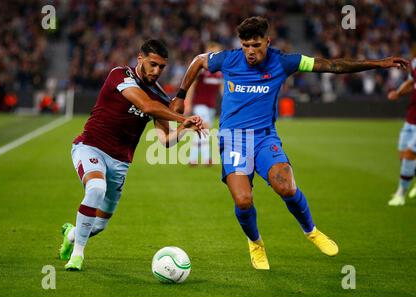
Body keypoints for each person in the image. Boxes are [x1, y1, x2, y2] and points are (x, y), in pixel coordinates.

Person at [171, 16, 408, 270]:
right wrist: (181, 95)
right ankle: (256, 243)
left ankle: (311, 230)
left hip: (264, 137)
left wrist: (378, 63)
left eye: (256, 45)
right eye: (246, 45)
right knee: (243, 200)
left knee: (285, 186)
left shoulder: (283, 61)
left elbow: (332, 66)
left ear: (268, 41)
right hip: (233, 139)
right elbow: (197, 61)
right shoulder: (228, 59)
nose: (250, 51)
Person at [59, 39, 203, 271]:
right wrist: (180, 118)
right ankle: (77, 256)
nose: (156, 71)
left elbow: (165, 141)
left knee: (98, 226)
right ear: (140, 59)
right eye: (152, 64)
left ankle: (72, 234)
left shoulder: (160, 97)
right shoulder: (120, 75)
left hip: (120, 162)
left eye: (161, 67)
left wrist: (185, 129)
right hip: (90, 147)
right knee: (96, 188)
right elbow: (146, 106)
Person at [185, 42, 224, 165]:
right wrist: (188, 103)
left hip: (211, 106)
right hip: (200, 104)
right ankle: (207, 158)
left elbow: (223, 90)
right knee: (205, 128)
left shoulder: (220, 71)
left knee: (200, 131)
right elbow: (192, 86)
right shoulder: (201, 68)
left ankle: (193, 159)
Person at [387, 58, 416, 206]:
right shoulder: (415, 62)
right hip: (411, 118)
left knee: (410, 153)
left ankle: (401, 194)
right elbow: (412, 82)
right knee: (403, 155)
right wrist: (398, 93)